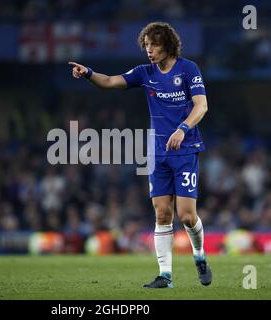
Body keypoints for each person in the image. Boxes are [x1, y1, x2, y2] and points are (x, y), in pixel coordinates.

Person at [68, 21, 212, 288]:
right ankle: (165, 276)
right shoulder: (145, 73)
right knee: (161, 213)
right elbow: (110, 81)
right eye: (146, 45)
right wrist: (88, 73)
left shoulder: (188, 69)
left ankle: (200, 255)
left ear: (167, 45)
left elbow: (201, 106)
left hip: (185, 150)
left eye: (154, 45)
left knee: (187, 216)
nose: (149, 50)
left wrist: (182, 129)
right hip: (156, 153)